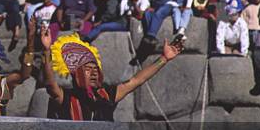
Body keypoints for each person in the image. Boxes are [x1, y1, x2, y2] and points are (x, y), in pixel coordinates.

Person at [43, 32, 182, 121]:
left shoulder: (107, 94)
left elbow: (137, 80)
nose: (94, 73)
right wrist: (47, 50)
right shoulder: (66, 97)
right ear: (76, 74)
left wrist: (164, 58)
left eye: (95, 69)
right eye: (88, 69)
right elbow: (50, 84)